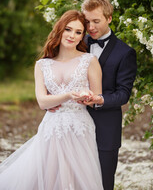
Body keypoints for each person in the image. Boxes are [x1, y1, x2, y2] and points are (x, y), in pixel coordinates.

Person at [0, 10, 104, 190]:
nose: (72, 35)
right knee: (48, 178)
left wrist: (88, 97)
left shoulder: (90, 60)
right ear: (60, 29)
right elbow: (42, 102)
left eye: (78, 32)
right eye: (68, 29)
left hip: (80, 127)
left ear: (82, 37)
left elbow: (97, 97)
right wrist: (68, 95)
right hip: (51, 127)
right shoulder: (42, 65)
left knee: (80, 179)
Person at [81, 0, 137, 190]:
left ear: (109, 18)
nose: (91, 27)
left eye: (96, 21)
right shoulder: (76, 44)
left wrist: (100, 99)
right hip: (75, 124)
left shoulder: (125, 53)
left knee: (104, 183)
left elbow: (123, 93)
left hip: (106, 128)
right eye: (87, 21)